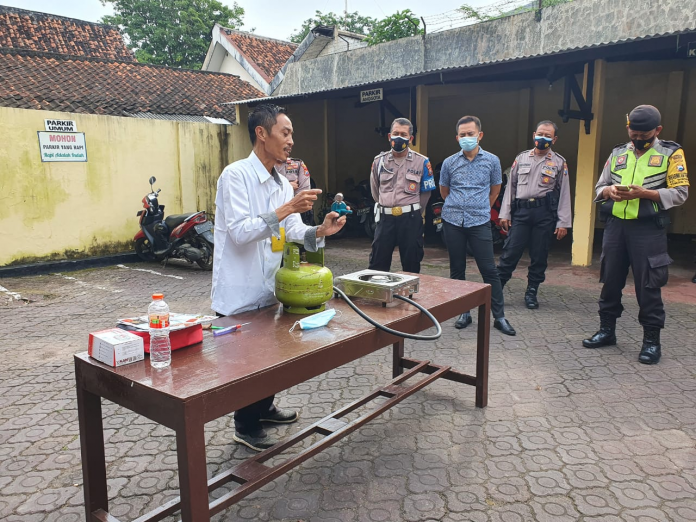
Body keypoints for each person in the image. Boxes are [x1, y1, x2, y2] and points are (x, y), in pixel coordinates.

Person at [211, 104, 346, 450]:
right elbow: (240, 232)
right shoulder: (235, 176)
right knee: (244, 363)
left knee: (270, 356)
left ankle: (265, 408)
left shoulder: (283, 184)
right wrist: (288, 207)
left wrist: (321, 230)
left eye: (292, 135)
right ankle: (245, 424)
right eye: (285, 133)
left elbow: (294, 231)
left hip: (271, 288)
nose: (291, 141)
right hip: (239, 291)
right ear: (262, 133)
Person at [582, 105, 689, 364]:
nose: (638, 138)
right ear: (628, 128)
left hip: (648, 230)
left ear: (658, 130)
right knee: (610, 280)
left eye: (645, 134)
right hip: (616, 227)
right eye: (634, 133)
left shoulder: (671, 153)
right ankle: (607, 331)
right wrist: (608, 192)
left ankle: (651, 342)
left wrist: (646, 194)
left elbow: (680, 193)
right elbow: (600, 186)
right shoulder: (618, 152)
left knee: (649, 285)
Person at [440, 116, 516, 336]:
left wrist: (480, 208)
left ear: (480, 135)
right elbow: (445, 191)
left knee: (489, 270)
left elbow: (495, 190)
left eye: (470, 134)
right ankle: (463, 312)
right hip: (453, 221)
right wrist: (458, 206)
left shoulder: (492, 161)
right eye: (462, 135)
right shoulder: (449, 163)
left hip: (479, 221)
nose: (467, 138)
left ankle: (499, 317)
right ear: (457, 138)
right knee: (457, 268)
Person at [497, 121, 572, 309]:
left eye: (547, 135)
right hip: (521, 212)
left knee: (539, 254)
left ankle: (532, 291)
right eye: (540, 134)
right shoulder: (521, 158)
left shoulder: (559, 162)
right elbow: (510, 187)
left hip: (544, 213)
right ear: (533, 135)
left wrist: (563, 223)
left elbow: (564, 193)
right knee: (511, 251)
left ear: (554, 139)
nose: (542, 138)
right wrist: (505, 213)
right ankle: (496, 290)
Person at [369, 117, 436, 273]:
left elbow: (426, 193)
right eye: (396, 133)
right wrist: (386, 204)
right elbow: (375, 189)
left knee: (411, 264)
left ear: (410, 138)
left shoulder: (422, 162)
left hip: (410, 219)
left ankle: (410, 290)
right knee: (377, 265)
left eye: (403, 134)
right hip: (385, 218)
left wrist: (413, 210)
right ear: (389, 136)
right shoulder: (379, 161)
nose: (399, 137)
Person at [277, 157, 315, 225]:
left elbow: (303, 193)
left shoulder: (297, 164)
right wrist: (287, 186)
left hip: (297, 212)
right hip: (272, 212)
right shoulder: (263, 166)